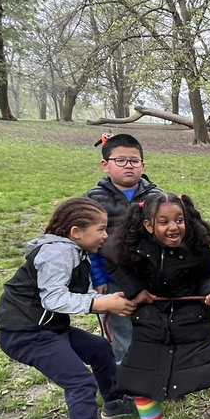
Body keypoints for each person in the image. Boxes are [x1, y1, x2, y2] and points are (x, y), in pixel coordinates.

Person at [0, 197, 141, 419]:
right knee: (80, 383)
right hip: (26, 334)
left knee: (99, 349)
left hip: (47, 328)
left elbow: (75, 292)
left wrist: (105, 297)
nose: (105, 235)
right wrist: (101, 304)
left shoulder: (73, 250)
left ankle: (114, 403)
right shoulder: (57, 254)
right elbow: (54, 298)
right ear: (76, 232)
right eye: (100, 229)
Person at [106, 191, 210, 419]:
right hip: (150, 315)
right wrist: (135, 290)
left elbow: (208, 274)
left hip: (191, 314)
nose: (173, 227)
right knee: (138, 371)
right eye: (164, 222)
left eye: (179, 220)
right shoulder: (134, 245)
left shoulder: (196, 246)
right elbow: (115, 263)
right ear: (149, 225)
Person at [86, 133, 161, 377]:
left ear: (143, 165)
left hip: (152, 279)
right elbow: (90, 247)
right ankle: (128, 385)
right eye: (121, 160)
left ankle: (159, 378)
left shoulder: (157, 198)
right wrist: (98, 280)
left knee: (156, 328)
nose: (129, 166)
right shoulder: (93, 200)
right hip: (114, 282)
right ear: (105, 164)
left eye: (134, 161)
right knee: (122, 333)